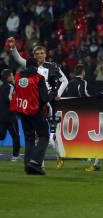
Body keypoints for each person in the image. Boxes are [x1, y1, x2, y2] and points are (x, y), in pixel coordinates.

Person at [6, 38, 68, 168]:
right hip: (34, 104)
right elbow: (18, 58)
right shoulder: (31, 65)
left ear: (45, 54)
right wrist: (13, 48)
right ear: (34, 56)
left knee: (51, 138)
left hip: (48, 103)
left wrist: (58, 94)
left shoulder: (53, 66)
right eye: (37, 53)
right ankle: (40, 164)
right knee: (39, 136)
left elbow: (65, 81)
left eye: (42, 53)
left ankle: (59, 155)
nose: (40, 55)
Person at [9, 58, 49, 175]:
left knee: (29, 138)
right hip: (35, 112)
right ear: (36, 66)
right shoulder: (38, 78)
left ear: (26, 66)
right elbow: (44, 98)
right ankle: (35, 163)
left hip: (22, 111)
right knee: (44, 136)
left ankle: (28, 165)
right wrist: (53, 93)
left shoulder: (17, 76)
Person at [0, 69, 21, 161]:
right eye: (12, 75)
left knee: (1, 136)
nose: (13, 77)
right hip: (10, 116)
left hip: (1, 116)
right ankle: (15, 156)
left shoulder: (1, 87)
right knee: (16, 136)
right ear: (8, 77)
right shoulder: (11, 86)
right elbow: (9, 98)